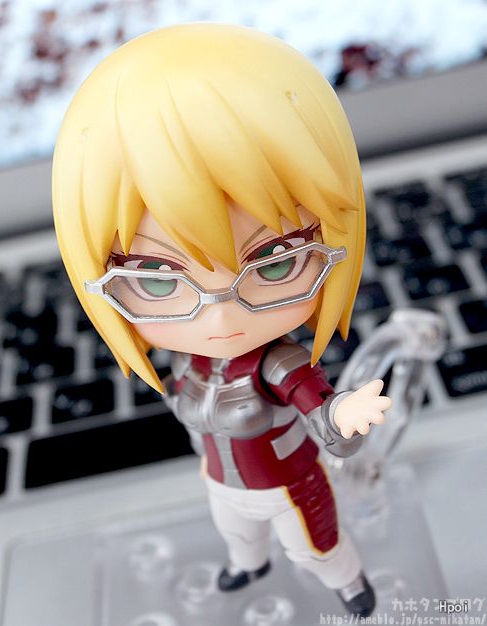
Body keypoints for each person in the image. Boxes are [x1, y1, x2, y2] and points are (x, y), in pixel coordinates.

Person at [52, 23, 391, 617]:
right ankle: (248, 565)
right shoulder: (189, 360)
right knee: (237, 536)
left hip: (287, 485)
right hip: (222, 483)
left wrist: (344, 414)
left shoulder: (276, 362)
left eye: (274, 263)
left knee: (314, 548)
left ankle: (350, 584)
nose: (221, 313)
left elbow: (318, 406)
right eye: (159, 280)